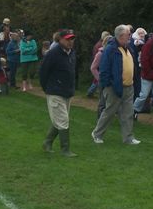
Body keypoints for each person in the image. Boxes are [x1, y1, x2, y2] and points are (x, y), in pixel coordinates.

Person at [91, 25, 141, 145]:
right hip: (114, 87)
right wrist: (108, 85)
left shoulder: (128, 48)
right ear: (120, 36)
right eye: (127, 35)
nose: (130, 37)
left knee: (128, 113)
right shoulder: (110, 49)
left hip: (129, 86)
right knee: (109, 112)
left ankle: (128, 138)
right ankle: (97, 133)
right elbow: (104, 70)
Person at [40, 29, 78, 157]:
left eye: (72, 39)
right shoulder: (53, 54)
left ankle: (47, 142)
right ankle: (65, 149)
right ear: (60, 40)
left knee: (60, 120)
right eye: (67, 39)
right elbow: (43, 72)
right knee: (63, 120)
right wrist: (47, 88)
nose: (70, 42)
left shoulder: (72, 53)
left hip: (67, 92)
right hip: (55, 91)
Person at [90, 34, 114, 119]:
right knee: (102, 101)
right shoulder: (100, 54)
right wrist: (99, 78)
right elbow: (93, 68)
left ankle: (106, 117)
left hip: (110, 80)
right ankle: (100, 117)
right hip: (103, 80)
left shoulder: (112, 53)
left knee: (110, 100)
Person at [86, 31, 111, 97]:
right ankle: (90, 92)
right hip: (99, 66)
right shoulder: (100, 47)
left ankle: (90, 92)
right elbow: (94, 64)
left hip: (99, 66)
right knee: (96, 81)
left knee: (96, 81)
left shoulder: (99, 44)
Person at [130, 27, 147, 99]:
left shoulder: (146, 40)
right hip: (136, 64)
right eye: (139, 33)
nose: (141, 34)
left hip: (142, 64)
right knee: (137, 82)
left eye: (142, 33)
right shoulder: (134, 41)